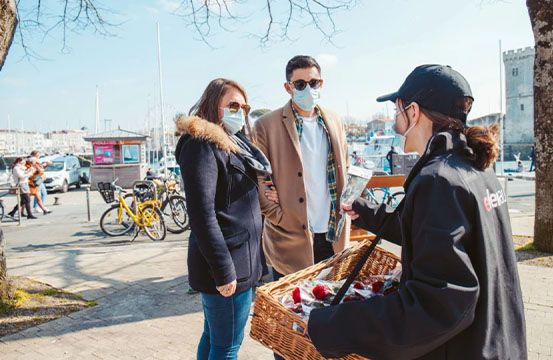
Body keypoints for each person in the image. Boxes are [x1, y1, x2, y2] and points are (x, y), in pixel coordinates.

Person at [307, 65, 527, 359]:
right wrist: (367, 210)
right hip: (498, 341)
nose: (396, 125)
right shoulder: (475, 167)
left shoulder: (438, 179)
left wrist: (329, 325)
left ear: (413, 112)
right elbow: (433, 231)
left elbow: (438, 303)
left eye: (397, 111)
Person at [175, 78, 270, 360]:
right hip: (229, 263)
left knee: (214, 338)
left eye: (243, 106)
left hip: (241, 258)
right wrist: (224, 270)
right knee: (227, 346)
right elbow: (202, 214)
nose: (239, 111)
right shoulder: (201, 145)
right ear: (212, 105)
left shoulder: (232, 143)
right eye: (232, 105)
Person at [253, 55, 350, 278]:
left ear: (321, 83)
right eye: (300, 84)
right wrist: (277, 215)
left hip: (333, 232)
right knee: (291, 308)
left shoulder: (335, 120)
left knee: (331, 307)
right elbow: (258, 177)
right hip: (290, 237)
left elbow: (345, 165)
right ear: (288, 87)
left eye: (313, 82)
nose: (308, 88)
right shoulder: (266, 125)